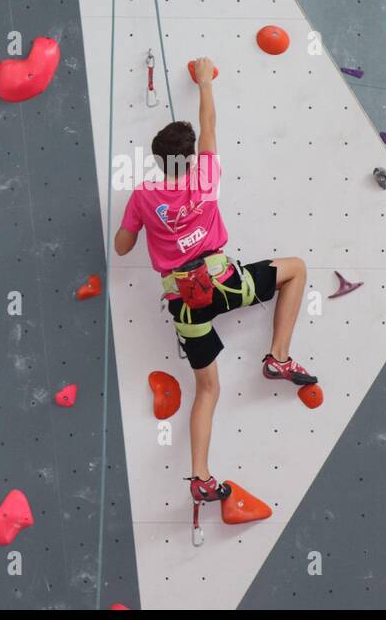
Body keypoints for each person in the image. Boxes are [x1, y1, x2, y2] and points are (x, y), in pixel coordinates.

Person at [113, 57, 318, 528]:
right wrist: (204, 82)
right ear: (192, 156)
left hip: (183, 300)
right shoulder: (205, 177)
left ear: (157, 159)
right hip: (224, 282)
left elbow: (123, 247)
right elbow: (209, 124)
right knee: (296, 269)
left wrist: (143, 226)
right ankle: (278, 357)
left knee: (207, 389)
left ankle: (201, 477)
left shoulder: (144, 196)